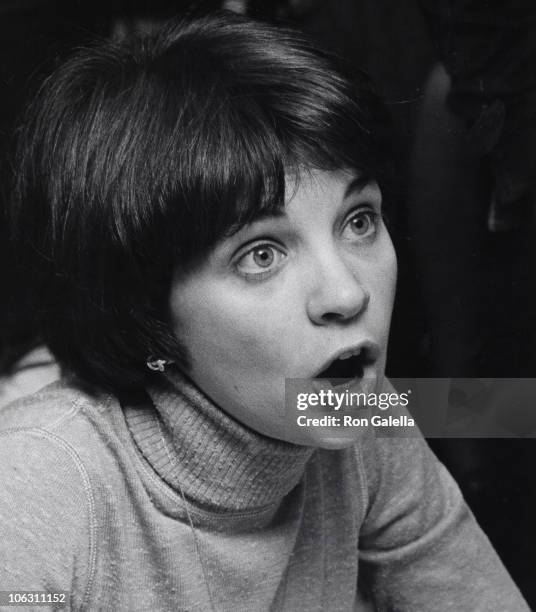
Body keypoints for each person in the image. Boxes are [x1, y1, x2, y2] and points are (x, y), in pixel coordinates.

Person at [0, 11, 528, 611]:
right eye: (260, 255)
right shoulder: (32, 488)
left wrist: (493, 412)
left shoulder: (369, 420)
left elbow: (481, 413)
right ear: (144, 309)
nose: (347, 294)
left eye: (359, 221)